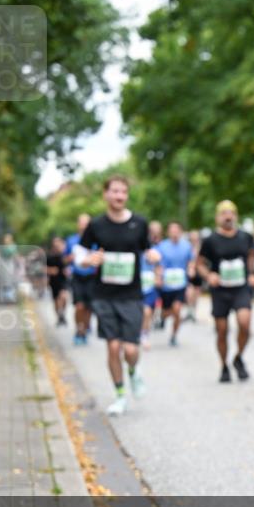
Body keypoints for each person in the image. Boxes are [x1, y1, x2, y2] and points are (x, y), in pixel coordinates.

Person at [75, 176, 161, 416]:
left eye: (123, 191)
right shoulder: (97, 225)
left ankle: (133, 372)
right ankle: (120, 395)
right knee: (113, 348)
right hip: (104, 295)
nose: (119, 196)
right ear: (105, 194)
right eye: (114, 191)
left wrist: (153, 256)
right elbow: (80, 252)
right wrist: (88, 260)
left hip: (131, 295)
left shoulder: (139, 223)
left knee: (131, 351)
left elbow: (149, 249)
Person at [198, 200, 254, 383]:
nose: (228, 216)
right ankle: (224, 365)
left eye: (231, 212)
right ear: (217, 217)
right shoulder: (210, 240)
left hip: (241, 287)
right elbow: (199, 264)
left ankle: (238, 357)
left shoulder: (245, 237)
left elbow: (251, 255)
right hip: (220, 290)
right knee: (222, 330)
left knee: (245, 323)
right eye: (224, 213)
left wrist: (252, 273)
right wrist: (209, 276)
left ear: (236, 216)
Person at [157, 221, 194, 347]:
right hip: (166, 285)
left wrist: (191, 270)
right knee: (166, 312)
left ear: (180, 231)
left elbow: (190, 261)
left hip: (180, 283)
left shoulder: (186, 246)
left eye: (177, 230)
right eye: (172, 230)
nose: (174, 233)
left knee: (177, 309)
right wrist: (159, 277)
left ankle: (173, 335)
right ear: (168, 232)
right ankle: (162, 316)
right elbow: (158, 264)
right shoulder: (162, 246)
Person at [65, 214, 96, 345]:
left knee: (89, 307)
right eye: (82, 222)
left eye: (87, 223)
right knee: (79, 306)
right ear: (78, 224)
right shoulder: (71, 240)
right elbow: (65, 259)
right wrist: (69, 260)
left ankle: (86, 327)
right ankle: (79, 329)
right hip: (77, 276)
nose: (84, 225)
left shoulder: (95, 240)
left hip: (91, 276)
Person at [45, 236, 69, 326]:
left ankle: (62, 313)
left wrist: (68, 270)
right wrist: (51, 270)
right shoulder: (49, 256)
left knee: (63, 297)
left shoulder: (64, 255)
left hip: (63, 280)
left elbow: (69, 265)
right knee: (56, 300)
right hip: (54, 281)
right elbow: (43, 268)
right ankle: (59, 316)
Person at [185, 229, 203, 322]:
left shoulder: (201, 247)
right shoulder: (187, 247)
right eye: (192, 235)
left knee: (196, 293)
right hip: (189, 272)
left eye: (195, 235)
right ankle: (189, 311)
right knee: (189, 293)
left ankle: (193, 312)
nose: (194, 237)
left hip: (199, 273)